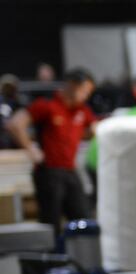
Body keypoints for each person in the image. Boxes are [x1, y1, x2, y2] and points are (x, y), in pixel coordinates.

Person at [5, 68, 97, 233]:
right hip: (49, 171)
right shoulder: (47, 105)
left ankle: (81, 248)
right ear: (72, 85)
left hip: (70, 170)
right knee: (51, 222)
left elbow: (93, 130)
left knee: (83, 218)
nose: (86, 96)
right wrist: (31, 148)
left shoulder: (82, 110)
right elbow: (15, 124)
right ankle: (53, 249)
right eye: (84, 90)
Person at [0, 74, 22, 149]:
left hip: (14, 138)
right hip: (4, 137)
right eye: (7, 87)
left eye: (11, 88)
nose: (8, 90)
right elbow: (5, 121)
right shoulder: (2, 102)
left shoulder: (19, 102)